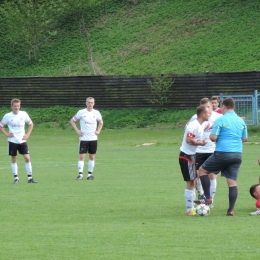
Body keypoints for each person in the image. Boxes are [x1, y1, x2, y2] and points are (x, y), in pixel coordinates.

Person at [194, 98, 248, 216]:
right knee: (232, 182)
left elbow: (213, 137)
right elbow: (245, 139)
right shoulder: (241, 121)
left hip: (223, 152)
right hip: (237, 154)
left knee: (203, 171)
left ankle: (208, 198)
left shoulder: (221, 120)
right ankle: (231, 210)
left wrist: (221, 138)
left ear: (223, 106)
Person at [188, 98, 222, 207]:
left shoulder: (218, 117)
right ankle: (201, 194)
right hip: (198, 150)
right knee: (197, 175)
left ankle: (210, 199)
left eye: (209, 106)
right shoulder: (195, 118)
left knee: (212, 175)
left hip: (212, 150)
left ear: (212, 106)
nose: (208, 108)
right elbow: (189, 129)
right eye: (205, 107)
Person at [179, 105, 211, 216]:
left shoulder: (202, 124)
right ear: (202, 114)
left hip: (192, 155)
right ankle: (189, 210)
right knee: (191, 182)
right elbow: (188, 140)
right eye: (208, 113)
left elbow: (212, 124)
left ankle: (191, 207)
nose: (209, 114)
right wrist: (200, 143)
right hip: (186, 156)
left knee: (194, 181)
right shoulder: (194, 125)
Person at [0, 98, 37, 183]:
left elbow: (31, 124)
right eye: (15, 106)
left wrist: (27, 134)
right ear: (12, 106)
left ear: (20, 106)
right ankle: (16, 178)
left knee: (27, 158)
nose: (16, 107)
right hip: (12, 141)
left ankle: (30, 178)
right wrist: (6, 134)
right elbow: (1, 126)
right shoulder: (7, 116)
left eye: (18, 106)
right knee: (14, 158)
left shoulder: (24, 114)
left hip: (22, 141)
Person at [70, 97, 103, 180]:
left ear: (94, 103)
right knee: (82, 156)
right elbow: (72, 121)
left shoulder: (96, 113)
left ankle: (89, 175)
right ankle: (80, 175)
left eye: (92, 102)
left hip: (93, 138)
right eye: (88, 102)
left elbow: (101, 122)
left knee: (92, 156)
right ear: (86, 103)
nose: (90, 104)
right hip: (83, 138)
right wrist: (77, 131)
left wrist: (98, 131)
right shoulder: (81, 112)